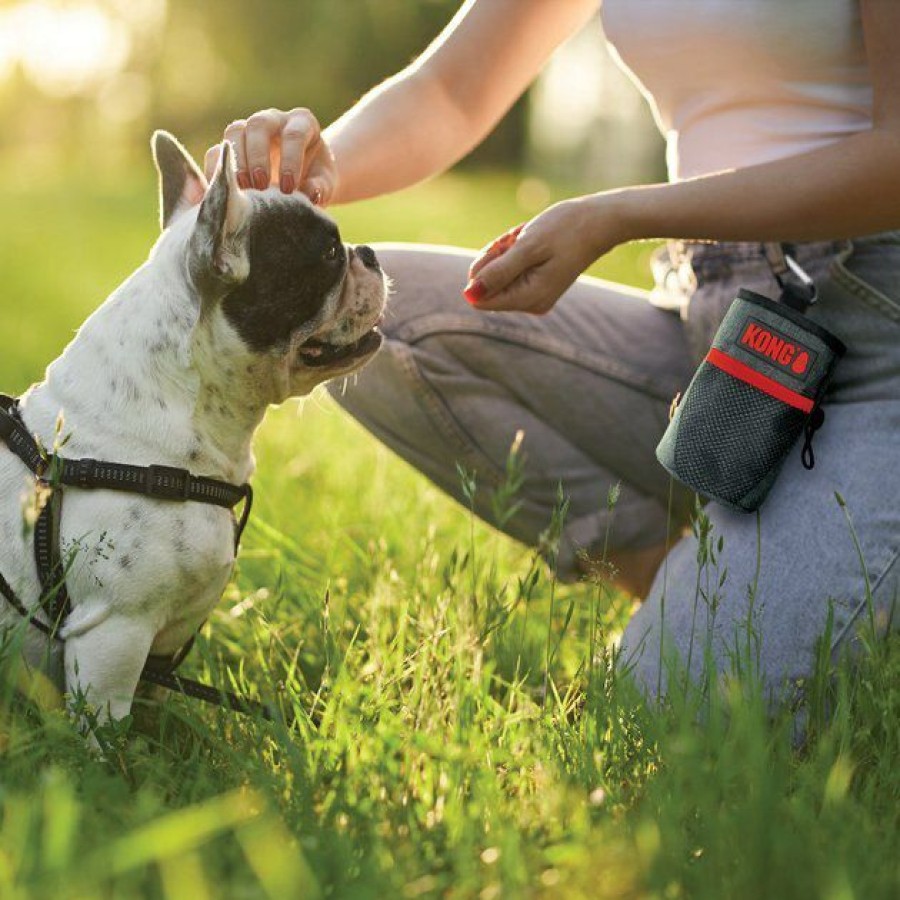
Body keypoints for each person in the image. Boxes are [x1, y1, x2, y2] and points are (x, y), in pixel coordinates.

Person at [207, 0, 900, 703]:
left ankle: (754, 584)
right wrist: (299, 178)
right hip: (718, 326)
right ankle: (669, 577)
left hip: (876, 342)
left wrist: (622, 214)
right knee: (381, 322)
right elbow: (450, 92)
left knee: (671, 715)